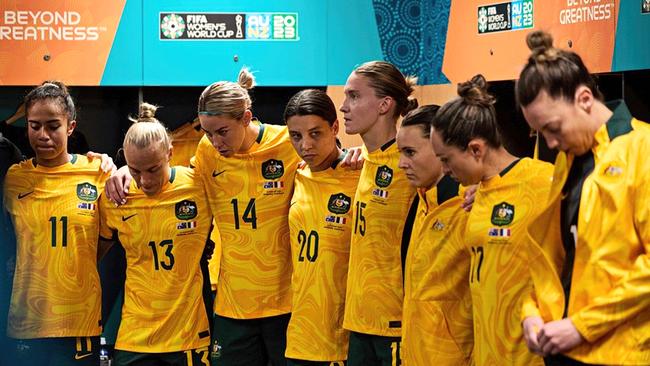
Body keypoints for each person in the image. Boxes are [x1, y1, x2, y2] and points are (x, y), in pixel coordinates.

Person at [517, 30, 650, 365]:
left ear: (585, 99)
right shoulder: (569, 161)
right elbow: (555, 256)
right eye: (540, 132)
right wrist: (531, 312)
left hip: (619, 354)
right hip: (562, 348)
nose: (549, 143)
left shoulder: (642, 150)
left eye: (553, 127)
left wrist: (582, 326)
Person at [430, 74, 553, 366]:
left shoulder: (545, 182)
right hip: (487, 355)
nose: (444, 169)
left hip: (531, 355)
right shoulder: (476, 193)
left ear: (475, 149)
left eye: (446, 159)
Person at [2, 81, 113, 365]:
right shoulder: (14, 177)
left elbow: (104, 240)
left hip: (80, 319)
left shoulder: (96, 172)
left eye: (53, 126)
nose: (43, 135)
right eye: (34, 125)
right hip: (27, 320)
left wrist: (76, 263)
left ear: (71, 127)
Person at [98, 103, 213, 365]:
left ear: (170, 153)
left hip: (188, 333)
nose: (145, 180)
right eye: (135, 170)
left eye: (153, 169)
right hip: (134, 334)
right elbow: (92, 256)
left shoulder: (198, 185)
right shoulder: (116, 197)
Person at [340, 61, 418, 366]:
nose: (344, 107)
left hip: (396, 323)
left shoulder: (409, 165)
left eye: (354, 96)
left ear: (385, 105)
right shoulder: (362, 161)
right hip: (358, 321)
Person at [283, 89, 360, 365]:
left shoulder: (359, 174)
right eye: (296, 136)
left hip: (344, 339)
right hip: (300, 336)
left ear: (335, 127)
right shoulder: (297, 174)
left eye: (315, 134)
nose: (305, 145)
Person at [396, 105, 473, 365]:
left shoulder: (470, 205)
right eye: (400, 153)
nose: (401, 163)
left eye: (410, 152)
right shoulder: (420, 201)